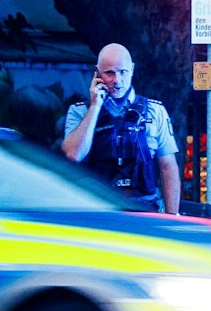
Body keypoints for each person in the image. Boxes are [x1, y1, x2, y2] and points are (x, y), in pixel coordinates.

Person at [60, 44, 181, 214]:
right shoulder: (80, 111)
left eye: (123, 72)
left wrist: (172, 216)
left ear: (132, 70)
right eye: (109, 73)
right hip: (97, 210)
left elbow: (168, 167)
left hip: (145, 210)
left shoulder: (155, 111)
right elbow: (73, 155)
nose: (117, 80)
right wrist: (95, 106)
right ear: (97, 73)